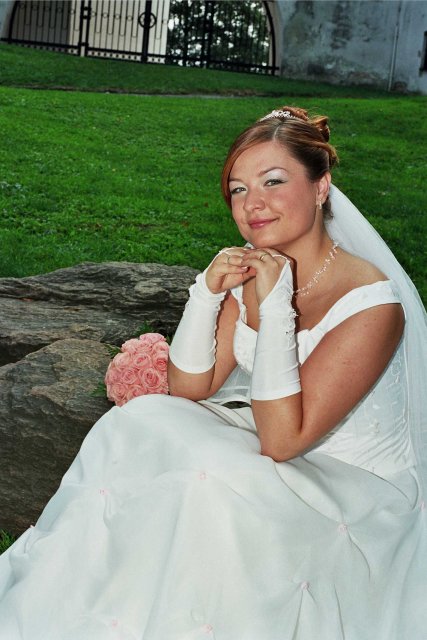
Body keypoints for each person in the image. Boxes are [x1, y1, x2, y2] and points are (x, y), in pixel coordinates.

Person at [0, 106, 426, 639]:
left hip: (351, 480)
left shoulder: (371, 303)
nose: (253, 204)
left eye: (273, 181)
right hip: (274, 437)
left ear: (321, 188)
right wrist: (205, 295)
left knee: (213, 482)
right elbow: (189, 388)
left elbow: (283, 440)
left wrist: (276, 307)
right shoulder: (254, 264)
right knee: (140, 420)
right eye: (238, 189)